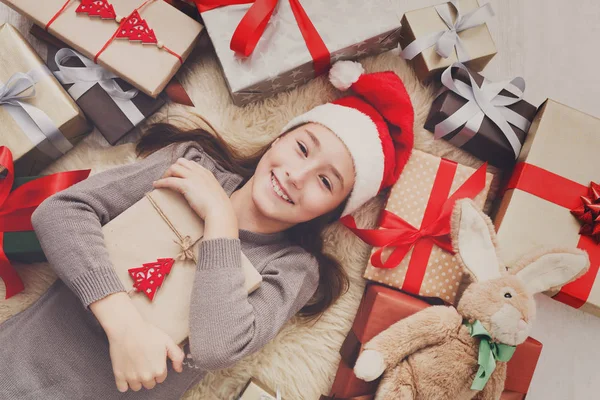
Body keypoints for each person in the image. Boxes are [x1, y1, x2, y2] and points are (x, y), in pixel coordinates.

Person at [0, 61, 414, 399]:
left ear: (336, 208)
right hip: (13, 360)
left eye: (326, 182)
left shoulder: (293, 269)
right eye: (302, 148)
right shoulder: (190, 163)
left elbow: (218, 347)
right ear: (278, 140)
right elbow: (59, 213)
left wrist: (221, 224)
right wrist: (123, 326)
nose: (297, 176)